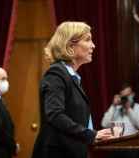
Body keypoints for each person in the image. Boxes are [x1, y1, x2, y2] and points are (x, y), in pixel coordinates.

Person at [32, 21, 113, 158]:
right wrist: (90, 134)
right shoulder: (56, 74)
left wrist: (95, 135)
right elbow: (55, 114)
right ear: (70, 45)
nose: (93, 45)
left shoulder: (72, 77)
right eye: (88, 40)